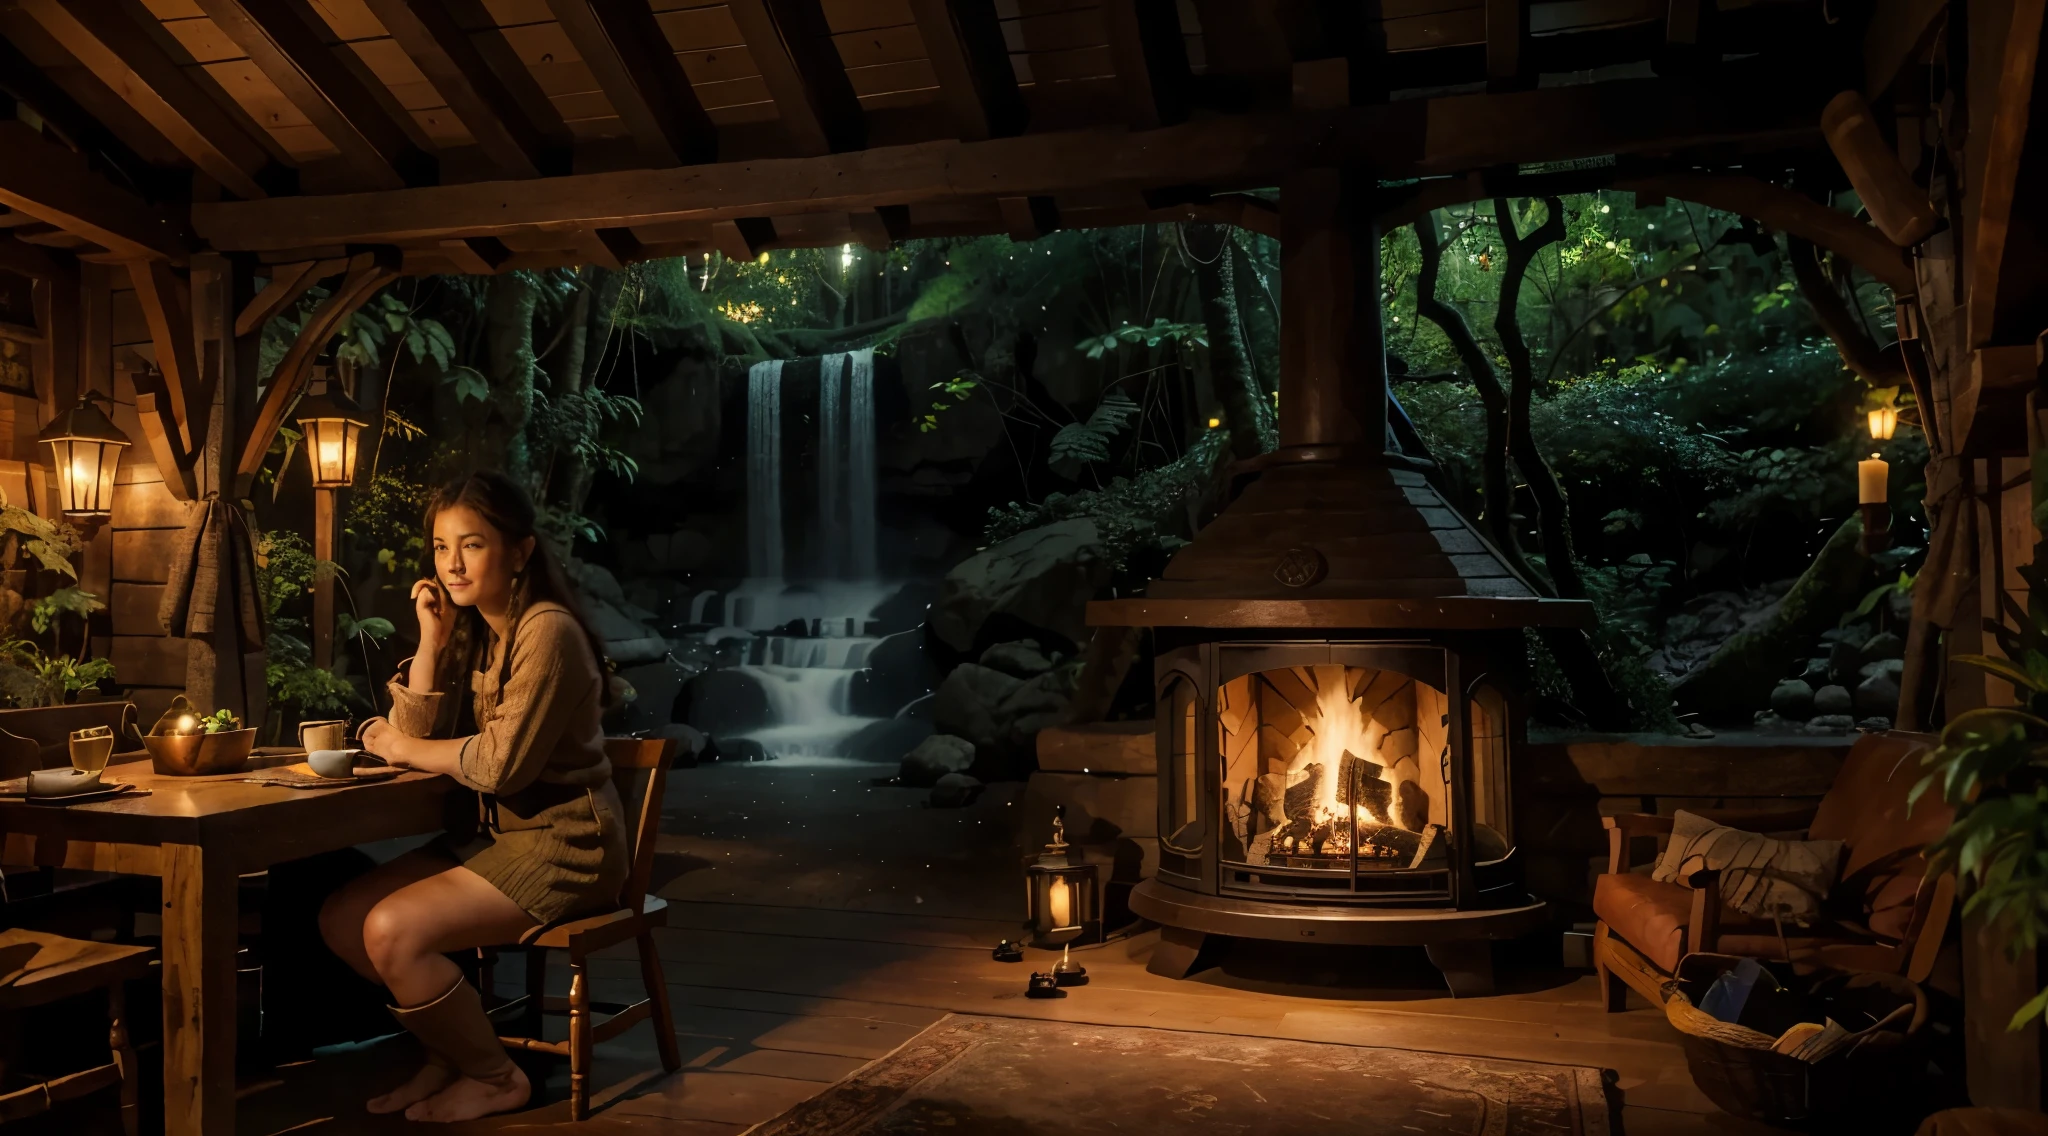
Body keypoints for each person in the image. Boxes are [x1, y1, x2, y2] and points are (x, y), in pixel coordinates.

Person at [317, 471, 628, 1123]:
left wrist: (399, 750)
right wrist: (429, 641)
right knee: (344, 919)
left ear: (519, 552)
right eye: (439, 547)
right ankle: (450, 1053)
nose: (452, 564)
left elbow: (498, 767)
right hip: (493, 836)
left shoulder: (547, 632)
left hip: (566, 844)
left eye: (473, 545)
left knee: (392, 931)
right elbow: (417, 734)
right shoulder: (477, 629)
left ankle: (493, 1076)